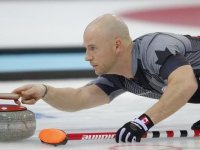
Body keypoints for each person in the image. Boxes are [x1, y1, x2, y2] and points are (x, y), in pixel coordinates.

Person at [12, 14, 200, 143]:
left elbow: (185, 84)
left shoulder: (155, 49)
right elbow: (79, 98)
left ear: (117, 45)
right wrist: (45, 91)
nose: (87, 57)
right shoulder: (118, 76)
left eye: (93, 48)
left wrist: (142, 122)